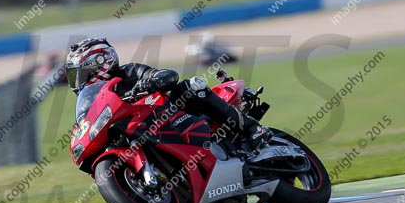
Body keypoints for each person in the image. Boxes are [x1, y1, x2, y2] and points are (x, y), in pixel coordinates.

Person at [65, 37, 270, 151]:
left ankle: (252, 128)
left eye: (80, 73)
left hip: (169, 115)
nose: (78, 80)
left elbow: (168, 75)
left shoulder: (129, 72)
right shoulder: (92, 101)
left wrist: (151, 81)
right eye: (74, 75)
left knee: (191, 87)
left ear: (101, 63)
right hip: (142, 131)